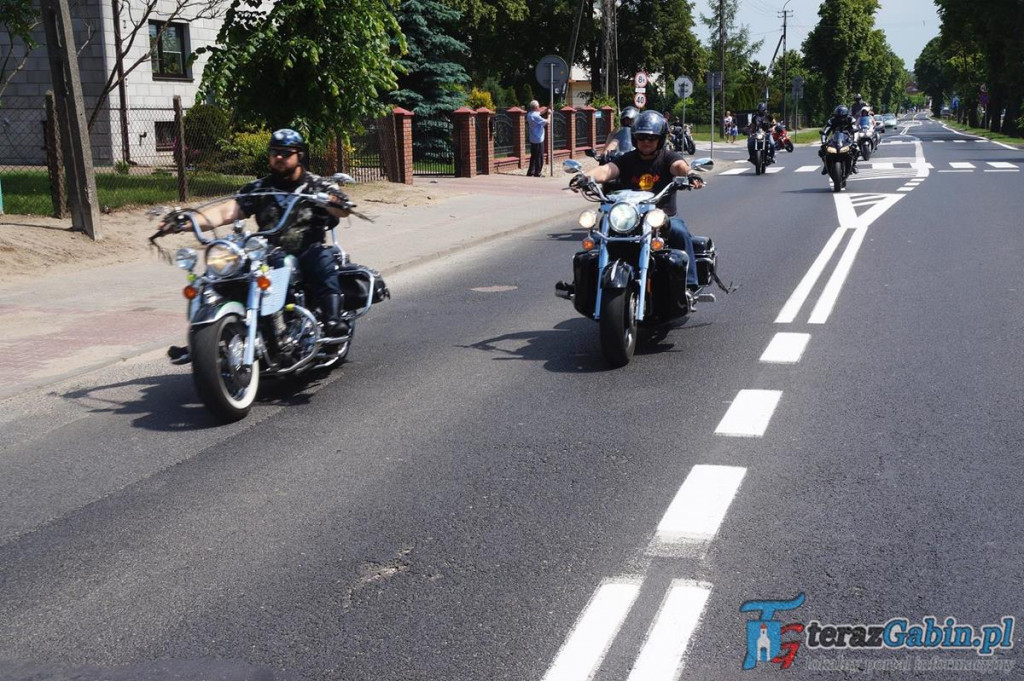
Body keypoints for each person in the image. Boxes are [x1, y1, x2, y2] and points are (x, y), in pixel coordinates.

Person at [158, 128, 352, 338]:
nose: (279, 157)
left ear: (299, 155)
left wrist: (336, 203)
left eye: (286, 153)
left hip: (306, 250)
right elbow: (226, 212)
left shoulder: (317, 185)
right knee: (220, 273)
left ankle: (333, 320)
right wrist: (185, 223)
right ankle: (204, 332)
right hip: (266, 252)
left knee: (323, 261)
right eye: (274, 152)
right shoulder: (259, 188)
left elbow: (340, 209)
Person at [574, 110, 705, 286]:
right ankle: (585, 288)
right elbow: (606, 170)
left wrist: (690, 174)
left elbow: (679, 166)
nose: (646, 142)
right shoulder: (627, 159)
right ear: (635, 138)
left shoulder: (667, 157)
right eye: (641, 137)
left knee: (680, 233)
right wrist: (585, 177)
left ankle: (689, 283)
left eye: (651, 138)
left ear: (660, 139)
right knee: (597, 240)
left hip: (661, 216)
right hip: (630, 217)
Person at [819, 105, 858, 176]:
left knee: (856, 149)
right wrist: (823, 141)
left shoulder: (850, 119)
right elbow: (825, 131)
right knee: (822, 150)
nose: (841, 119)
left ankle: (854, 165)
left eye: (843, 117)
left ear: (846, 115)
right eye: (838, 117)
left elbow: (855, 130)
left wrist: (855, 141)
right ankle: (825, 165)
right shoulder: (831, 121)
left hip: (847, 139)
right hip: (835, 139)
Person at [526, 100, 549, 177]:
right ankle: (537, 172)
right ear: (536, 107)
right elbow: (547, 122)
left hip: (533, 138)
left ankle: (530, 171)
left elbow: (539, 112)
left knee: (533, 156)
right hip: (538, 138)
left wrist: (545, 109)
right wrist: (549, 114)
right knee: (539, 156)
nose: (539, 108)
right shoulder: (536, 116)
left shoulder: (529, 114)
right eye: (538, 106)